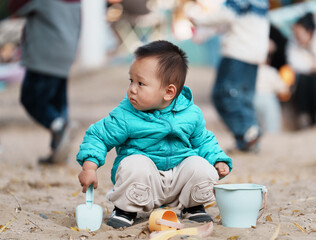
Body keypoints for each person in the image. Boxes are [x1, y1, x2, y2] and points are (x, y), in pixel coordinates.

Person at [76, 40, 233, 229]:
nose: (132, 89)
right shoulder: (126, 114)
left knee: (201, 166)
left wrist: (218, 160)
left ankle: (193, 206)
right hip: (144, 182)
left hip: (178, 179)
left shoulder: (190, 114)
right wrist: (89, 167)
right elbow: (99, 136)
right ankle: (126, 209)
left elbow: (203, 141)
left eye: (141, 83)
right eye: (131, 81)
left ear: (169, 92)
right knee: (134, 164)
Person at [0, 0, 81, 164]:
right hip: (66, 53)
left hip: (44, 53)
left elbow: (14, 7)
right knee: (58, 103)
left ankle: (59, 126)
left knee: (31, 99)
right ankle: (58, 149)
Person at [187, 0, 270, 152]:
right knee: (245, 97)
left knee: (223, 95)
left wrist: (199, 21)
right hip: (255, 54)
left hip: (237, 52)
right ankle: (248, 140)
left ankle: (246, 131)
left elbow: (227, 15)